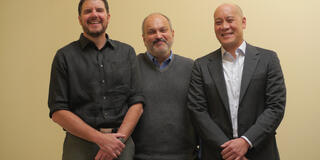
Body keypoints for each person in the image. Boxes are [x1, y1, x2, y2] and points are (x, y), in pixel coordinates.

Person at [187, 3, 286, 160]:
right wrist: (230, 150)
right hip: (217, 153)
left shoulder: (268, 60)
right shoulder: (201, 65)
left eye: (230, 20)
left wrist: (245, 142)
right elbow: (198, 111)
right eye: (218, 22)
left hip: (260, 151)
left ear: (243, 22)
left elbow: (275, 107)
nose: (224, 26)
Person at [48, 0, 144, 160]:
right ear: (79, 19)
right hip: (79, 145)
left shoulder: (127, 53)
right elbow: (58, 111)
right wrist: (101, 139)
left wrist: (115, 143)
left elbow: (137, 103)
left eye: (99, 10)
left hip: (121, 144)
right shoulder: (64, 57)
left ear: (108, 16)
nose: (94, 15)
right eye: (88, 11)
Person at [132, 13, 198, 160]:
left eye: (163, 30)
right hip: (141, 157)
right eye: (151, 32)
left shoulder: (192, 68)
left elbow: (201, 113)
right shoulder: (131, 68)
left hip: (185, 157)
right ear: (143, 38)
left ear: (172, 33)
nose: (158, 35)